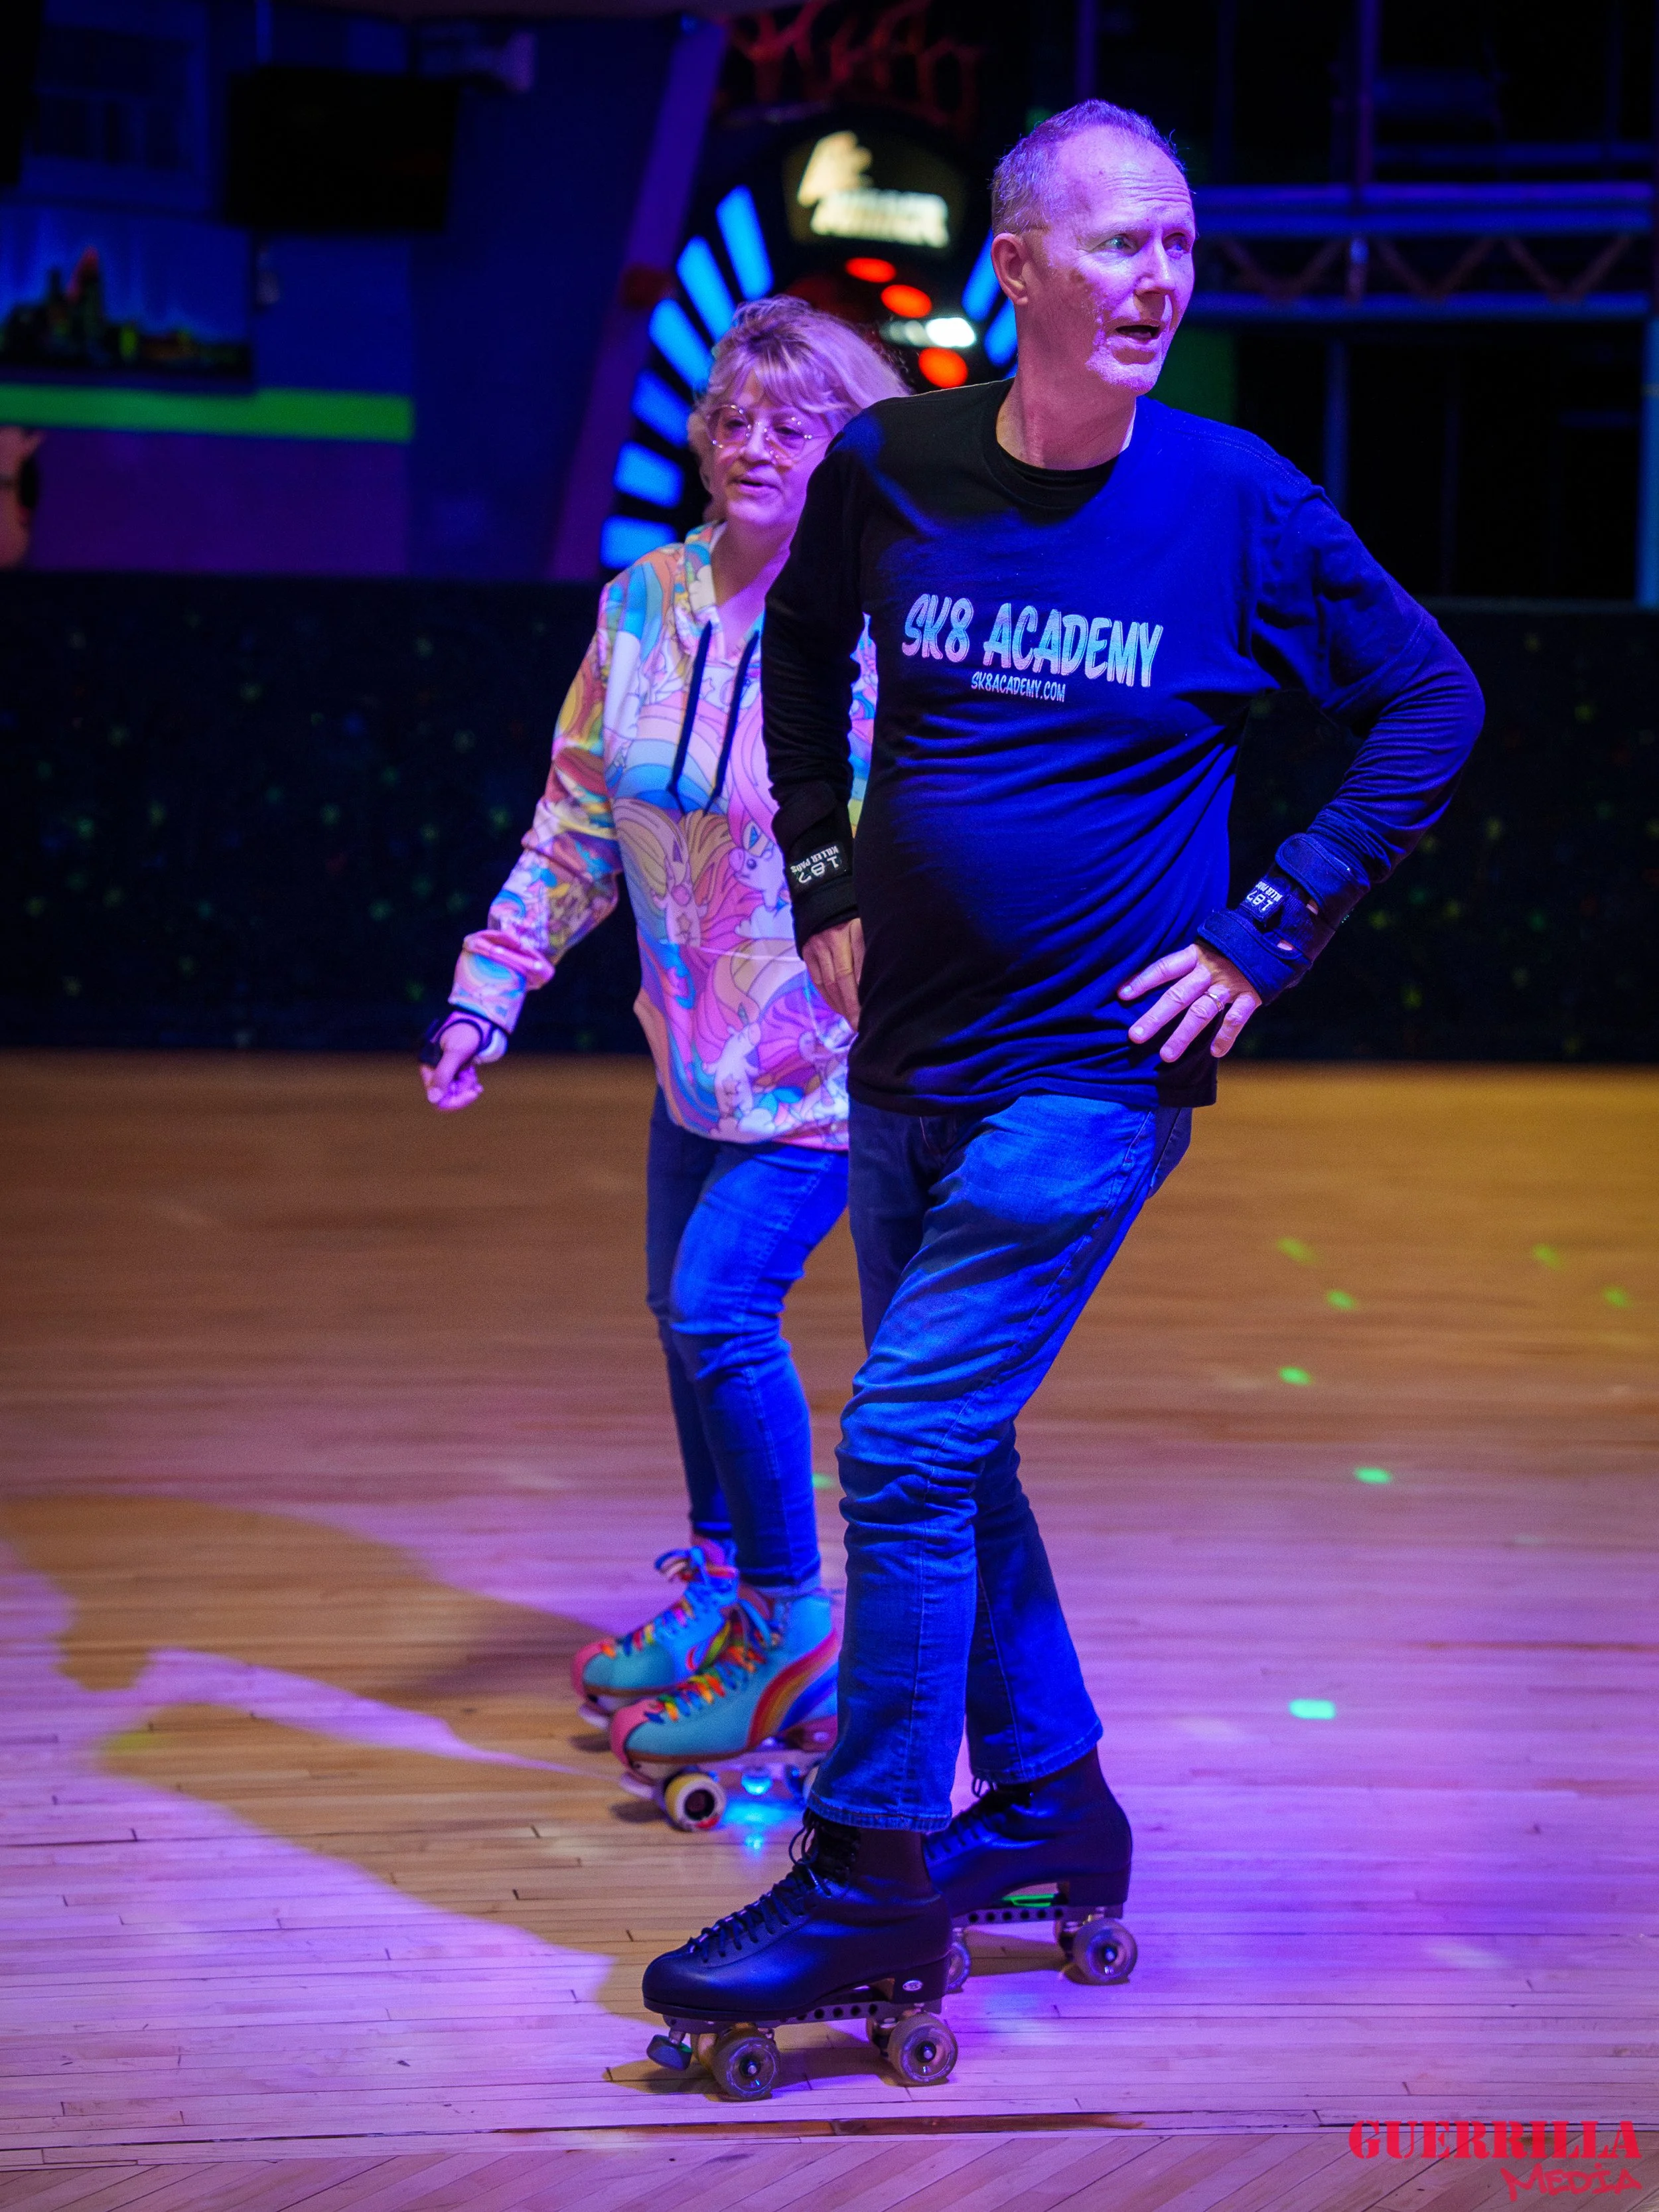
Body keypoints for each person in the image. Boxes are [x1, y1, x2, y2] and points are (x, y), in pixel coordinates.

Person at [642, 102, 1483, 2039]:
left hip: (1085, 1083)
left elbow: (1430, 699)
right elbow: (795, 654)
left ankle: (867, 1872)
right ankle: (1051, 1802)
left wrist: (1275, 922)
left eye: (1178, 243)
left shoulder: (1235, 499)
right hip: (902, 1063)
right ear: (1009, 270)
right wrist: (829, 866)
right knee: (960, 1446)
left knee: (905, 1443)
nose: (1159, 276)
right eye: (1117, 243)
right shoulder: (890, 467)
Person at [422, 298, 908, 1793]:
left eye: (796, 421)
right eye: (733, 417)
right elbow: (577, 818)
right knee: (678, 1319)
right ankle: (716, 1590)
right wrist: (490, 983)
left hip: (822, 1065)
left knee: (716, 1312)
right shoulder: (642, 603)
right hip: (686, 1059)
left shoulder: (881, 626)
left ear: (848, 448)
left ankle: (788, 1629)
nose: (755, 444)